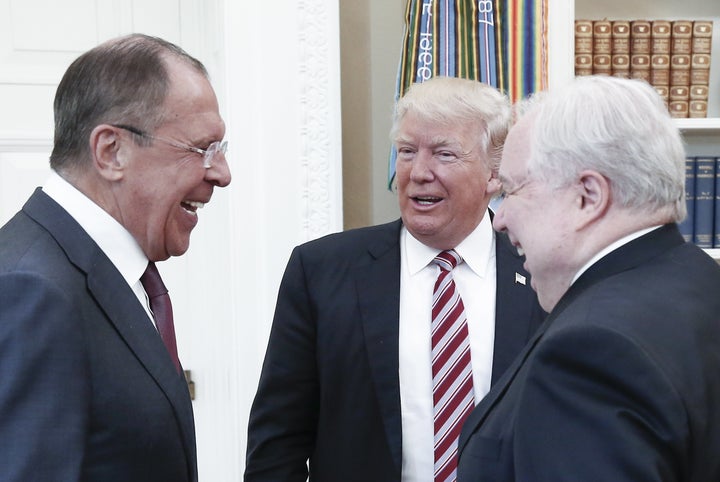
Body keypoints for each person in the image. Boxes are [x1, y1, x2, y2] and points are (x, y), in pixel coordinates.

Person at [244, 76, 545, 482]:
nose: (419, 172)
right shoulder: (322, 271)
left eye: (444, 154)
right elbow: (278, 442)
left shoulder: (543, 271)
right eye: (406, 151)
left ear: (495, 174)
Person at [457, 75, 720, 481]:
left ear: (588, 197)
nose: (500, 219)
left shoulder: (592, 353)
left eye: (512, 191)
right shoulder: (699, 278)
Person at [0, 34, 231, 481]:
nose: (221, 173)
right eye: (202, 149)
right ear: (111, 152)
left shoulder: (110, 272)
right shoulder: (30, 291)